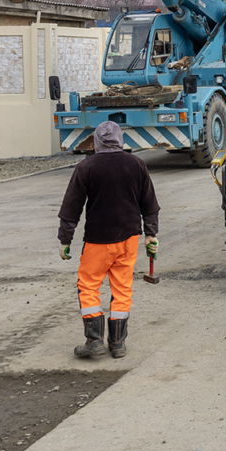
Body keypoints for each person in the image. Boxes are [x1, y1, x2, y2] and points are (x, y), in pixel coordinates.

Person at [57, 121, 159, 359]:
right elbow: (150, 205)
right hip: (129, 239)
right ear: (120, 139)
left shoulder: (86, 167)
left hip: (98, 241)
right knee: (122, 288)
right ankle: (118, 343)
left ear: (97, 141)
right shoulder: (137, 164)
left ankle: (94, 341)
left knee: (89, 286)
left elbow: (71, 207)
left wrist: (65, 240)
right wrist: (151, 234)